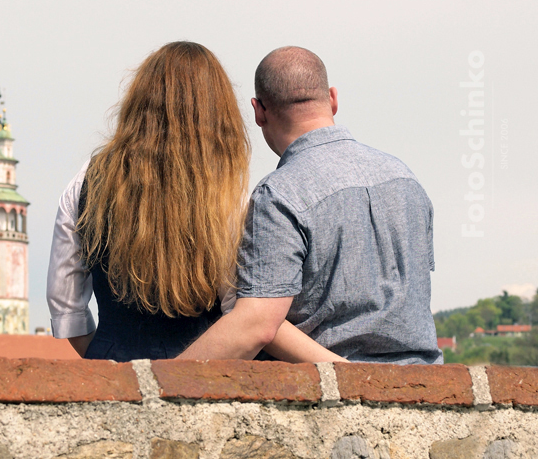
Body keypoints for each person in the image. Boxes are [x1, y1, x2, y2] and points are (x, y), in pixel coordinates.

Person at [179, 46, 443, 365]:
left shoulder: (279, 194)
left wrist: (159, 384)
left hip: (329, 399)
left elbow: (257, 323)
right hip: (424, 390)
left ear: (258, 111)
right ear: (332, 98)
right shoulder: (405, 179)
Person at [46, 41, 250, 362]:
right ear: (218, 108)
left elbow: (64, 303)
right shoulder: (229, 191)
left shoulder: (86, 178)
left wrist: (108, 355)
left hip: (113, 377)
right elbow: (238, 310)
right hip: (202, 381)